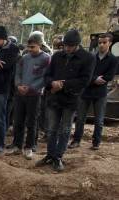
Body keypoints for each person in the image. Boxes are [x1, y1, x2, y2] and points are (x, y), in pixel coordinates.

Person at [38, 29, 95, 171]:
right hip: (54, 98)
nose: (67, 49)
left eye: (70, 46)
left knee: (65, 129)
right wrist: (52, 83)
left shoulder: (87, 58)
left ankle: (58, 157)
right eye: (65, 45)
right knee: (51, 129)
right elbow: (47, 75)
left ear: (77, 45)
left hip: (71, 99)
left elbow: (85, 80)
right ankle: (50, 155)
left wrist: (62, 84)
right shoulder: (57, 56)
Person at [71, 32, 118, 150]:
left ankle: (96, 142)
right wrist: (94, 79)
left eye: (104, 42)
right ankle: (76, 140)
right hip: (86, 91)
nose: (101, 45)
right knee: (80, 118)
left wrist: (96, 78)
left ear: (110, 43)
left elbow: (109, 76)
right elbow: (85, 73)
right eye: (100, 43)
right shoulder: (91, 57)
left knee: (99, 120)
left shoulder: (113, 59)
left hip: (101, 93)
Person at [7, 34, 50, 159]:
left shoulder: (46, 58)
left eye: (33, 47)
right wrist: (18, 85)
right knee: (18, 120)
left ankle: (29, 147)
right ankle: (17, 145)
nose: (30, 49)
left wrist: (31, 88)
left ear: (40, 45)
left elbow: (45, 77)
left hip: (34, 95)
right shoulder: (24, 58)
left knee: (31, 122)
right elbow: (18, 73)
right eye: (29, 47)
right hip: (20, 94)